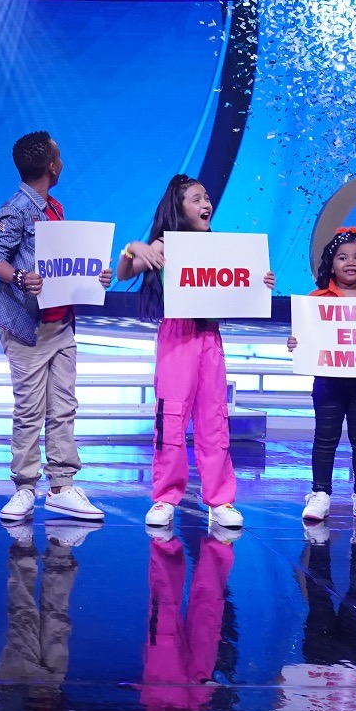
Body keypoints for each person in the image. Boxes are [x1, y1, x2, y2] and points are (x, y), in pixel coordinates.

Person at [117, 173, 264, 531]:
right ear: (179, 208)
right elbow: (123, 273)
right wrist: (135, 247)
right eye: (196, 199)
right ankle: (165, 497)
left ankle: (220, 500)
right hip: (177, 337)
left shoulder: (219, 248)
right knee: (171, 419)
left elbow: (242, 285)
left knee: (214, 419)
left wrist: (261, 283)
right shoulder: (165, 245)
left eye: (207, 198)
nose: (206, 204)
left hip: (209, 338)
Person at [0, 131, 103, 525]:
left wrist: (93, 275)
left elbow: (62, 263)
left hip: (61, 325)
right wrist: (21, 277)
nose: (63, 162)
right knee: (30, 410)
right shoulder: (15, 209)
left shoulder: (55, 207)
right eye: (60, 156)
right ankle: (24, 487)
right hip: (28, 328)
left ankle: (62, 486)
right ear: (52, 166)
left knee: (64, 407)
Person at [288, 229, 356, 527]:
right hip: (328, 382)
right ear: (331, 263)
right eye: (342, 257)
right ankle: (320, 493)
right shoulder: (316, 300)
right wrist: (296, 343)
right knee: (325, 438)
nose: (350, 262)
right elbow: (306, 337)